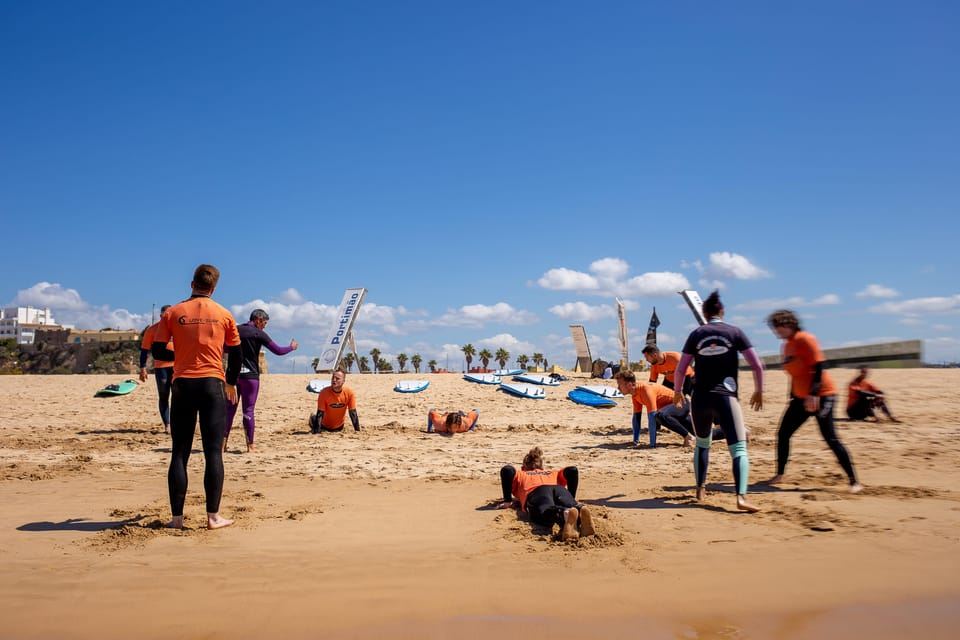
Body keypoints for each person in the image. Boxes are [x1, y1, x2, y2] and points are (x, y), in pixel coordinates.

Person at [152, 264, 240, 530]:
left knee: (180, 452)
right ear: (213, 288)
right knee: (214, 452)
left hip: (183, 385)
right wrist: (232, 383)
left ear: (192, 284)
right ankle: (213, 517)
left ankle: (177, 519)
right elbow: (236, 354)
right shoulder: (224, 314)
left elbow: (158, 350)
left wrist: (181, 356)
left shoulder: (173, 312)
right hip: (213, 384)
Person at [674, 291, 765, 513]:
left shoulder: (696, 334)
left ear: (705, 314)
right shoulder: (735, 332)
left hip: (700, 399)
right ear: (722, 311)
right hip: (726, 397)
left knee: (703, 444)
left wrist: (677, 391)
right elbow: (757, 365)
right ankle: (741, 498)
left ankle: (700, 489)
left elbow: (681, 368)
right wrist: (759, 390)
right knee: (739, 449)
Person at [766, 310, 862, 493]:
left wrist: (814, 394)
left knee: (830, 437)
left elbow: (819, 367)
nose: (775, 332)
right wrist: (793, 397)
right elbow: (794, 374)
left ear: (788, 325)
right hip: (800, 399)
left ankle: (854, 481)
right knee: (783, 433)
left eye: (777, 328)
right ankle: (779, 474)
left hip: (823, 396)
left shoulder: (805, 339)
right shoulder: (786, 346)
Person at [224, 309, 298, 453]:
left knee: (229, 410)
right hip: (250, 377)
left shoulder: (236, 330)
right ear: (258, 319)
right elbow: (278, 351)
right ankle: (250, 446)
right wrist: (291, 347)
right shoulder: (259, 333)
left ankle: (222, 445)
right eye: (264, 322)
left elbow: (224, 348)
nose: (264, 326)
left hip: (233, 376)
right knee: (248, 410)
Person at [498, 447, 595, 542]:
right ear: (542, 467)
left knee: (543, 512)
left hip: (537, 492)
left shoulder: (521, 474)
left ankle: (566, 513)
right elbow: (572, 470)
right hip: (559, 489)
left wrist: (507, 500)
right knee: (569, 504)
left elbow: (507, 470)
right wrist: (571, 497)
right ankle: (578, 508)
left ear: (523, 467)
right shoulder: (552, 473)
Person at [615, 370, 723, 448]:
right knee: (702, 434)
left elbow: (652, 417)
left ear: (629, 384)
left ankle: (687, 437)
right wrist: (635, 440)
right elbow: (636, 419)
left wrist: (652, 445)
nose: (618, 388)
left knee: (660, 415)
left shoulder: (646, 389)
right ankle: (728, 431)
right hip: (673, 412)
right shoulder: (635, 395)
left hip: (681, 404)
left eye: (620, 384)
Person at [139, 305, 174, 433]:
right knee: (164, 395)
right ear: (160, 316)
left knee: (179, 396)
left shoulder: (178, 328)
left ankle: (177, 423)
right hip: (161, 367)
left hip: (178, 366)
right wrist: (142, 367)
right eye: (164, 315)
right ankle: (167, 424)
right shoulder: (152, 330)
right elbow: (144, 350)